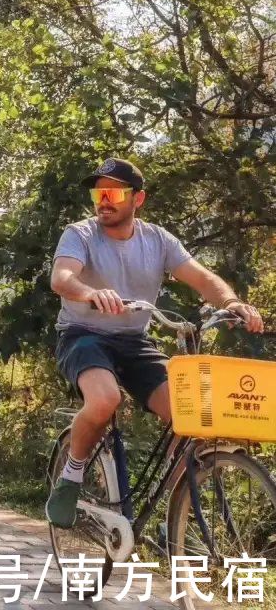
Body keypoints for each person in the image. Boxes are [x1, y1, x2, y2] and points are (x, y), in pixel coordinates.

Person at [45, 158, 265, 528]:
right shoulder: (80, 234)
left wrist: (231, 303)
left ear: (138, 198)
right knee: (104, 399)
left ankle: (174, 513)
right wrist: (90, 294)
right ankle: (72, 474)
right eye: (99, 192)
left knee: (191, 415)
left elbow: (201, 277)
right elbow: (62, 277)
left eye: (113, 192)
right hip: (82, 335)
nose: (104, 200)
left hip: (134, 340)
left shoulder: (158, 240)